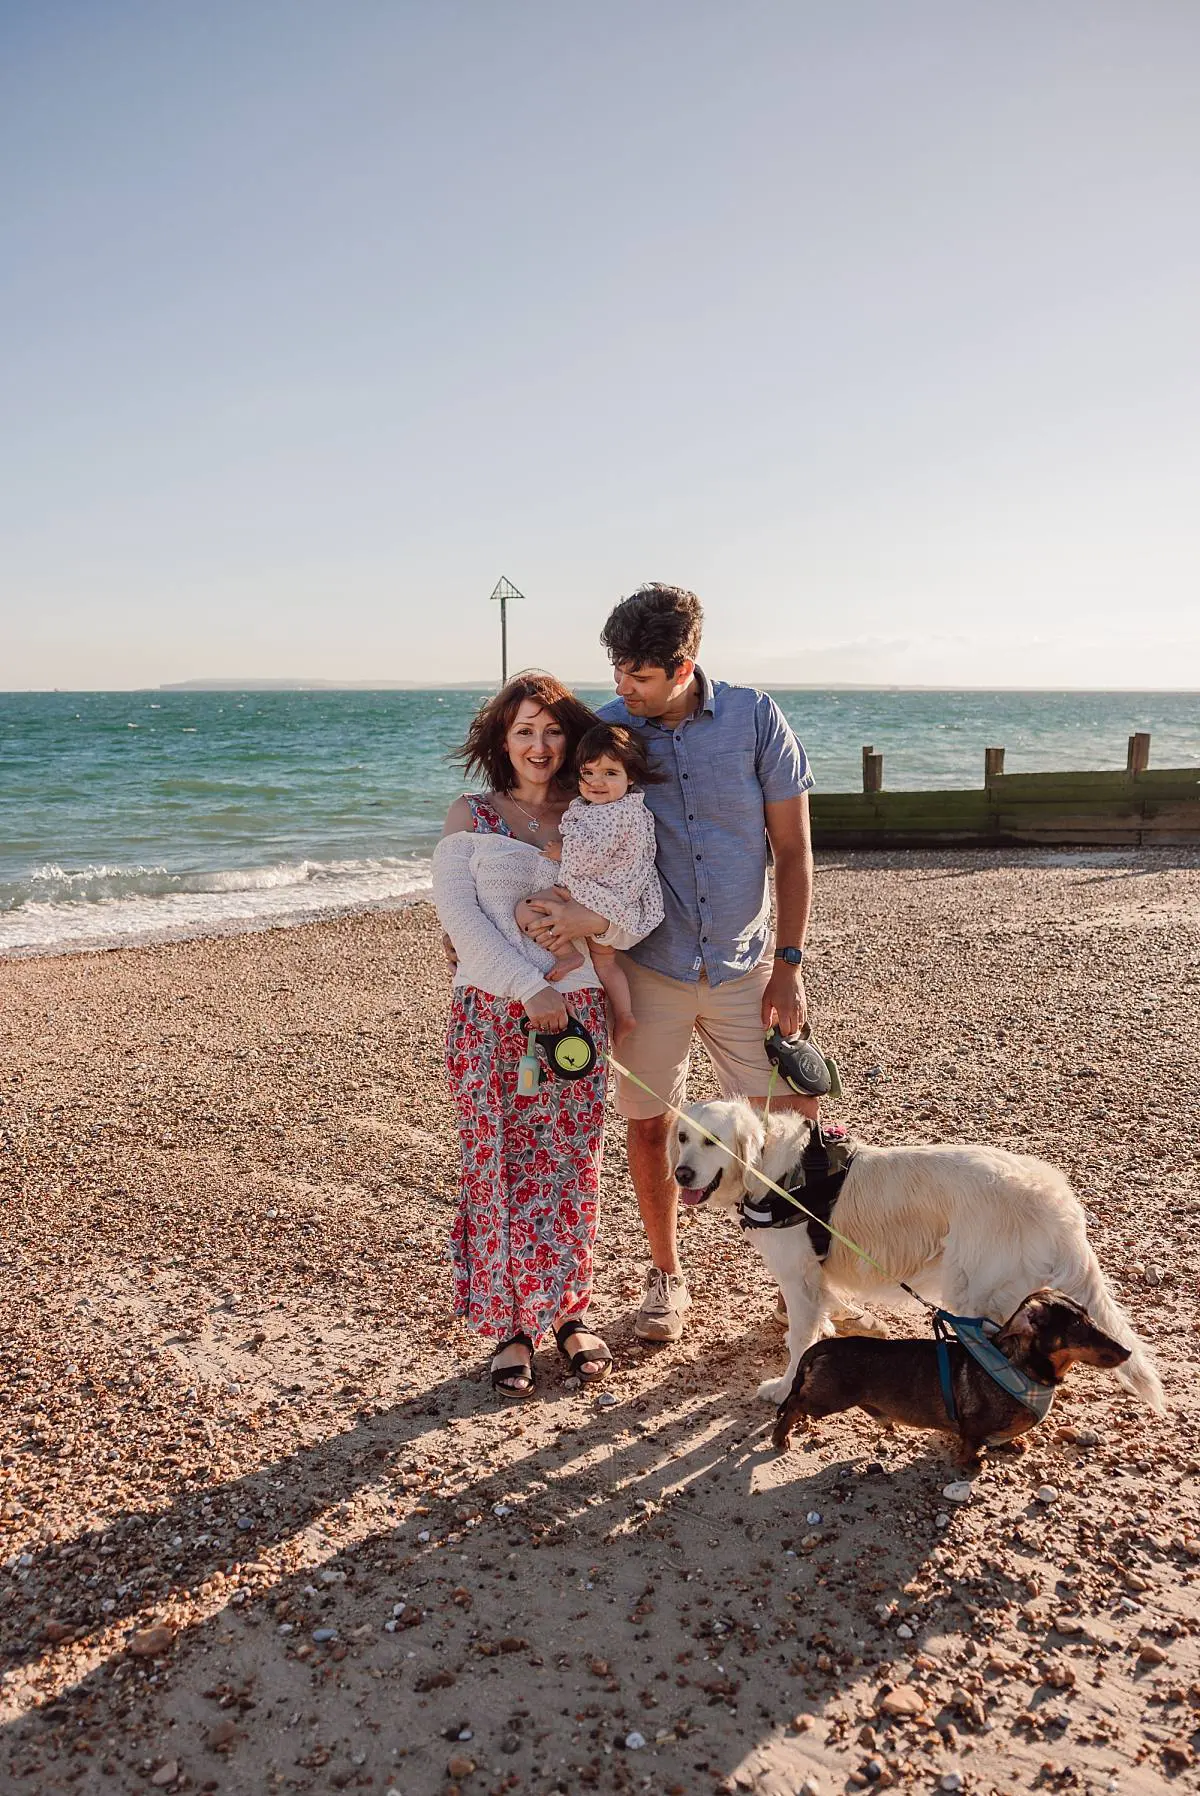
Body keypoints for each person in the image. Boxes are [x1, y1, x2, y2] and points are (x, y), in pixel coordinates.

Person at [522, 584, 823, 1343]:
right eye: (617, 672)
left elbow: (792, 849)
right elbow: (549, 820)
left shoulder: (758, 719)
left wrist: (788, 962)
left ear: (683, 665)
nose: (621, 689)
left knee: (790, 1119)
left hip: (745, 967)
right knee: (650, 1125)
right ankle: (666, 1278)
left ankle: (801, 1279)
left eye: (638, 676)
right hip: (647, 965)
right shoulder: (610, 731)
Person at [431, 673, 622, 1397]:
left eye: (551, 730)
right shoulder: (472, 814)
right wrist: (530, 989)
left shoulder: (597, 812)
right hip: (490, 1017)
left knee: (572, 1162)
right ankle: (511, 1324)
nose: (539, 746)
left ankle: (570, 1312)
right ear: (501, 741)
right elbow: (461, 922)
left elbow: (632, 905)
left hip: (576, 1016)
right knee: (496, 1162)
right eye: (523, 732)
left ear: (571, 739)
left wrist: (572, 978)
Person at [516, 721, 664, 1046]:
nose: (597, 782)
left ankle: (566, 953)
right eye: (589, 773)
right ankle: (624, 1014)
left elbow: (591, 856)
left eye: (610, 774)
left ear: (631, 777)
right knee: (607, 963)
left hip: (595, 896)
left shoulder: (611, 813)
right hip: (614, 898)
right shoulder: (632, 810)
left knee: (527, 909)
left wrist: (561, 852)